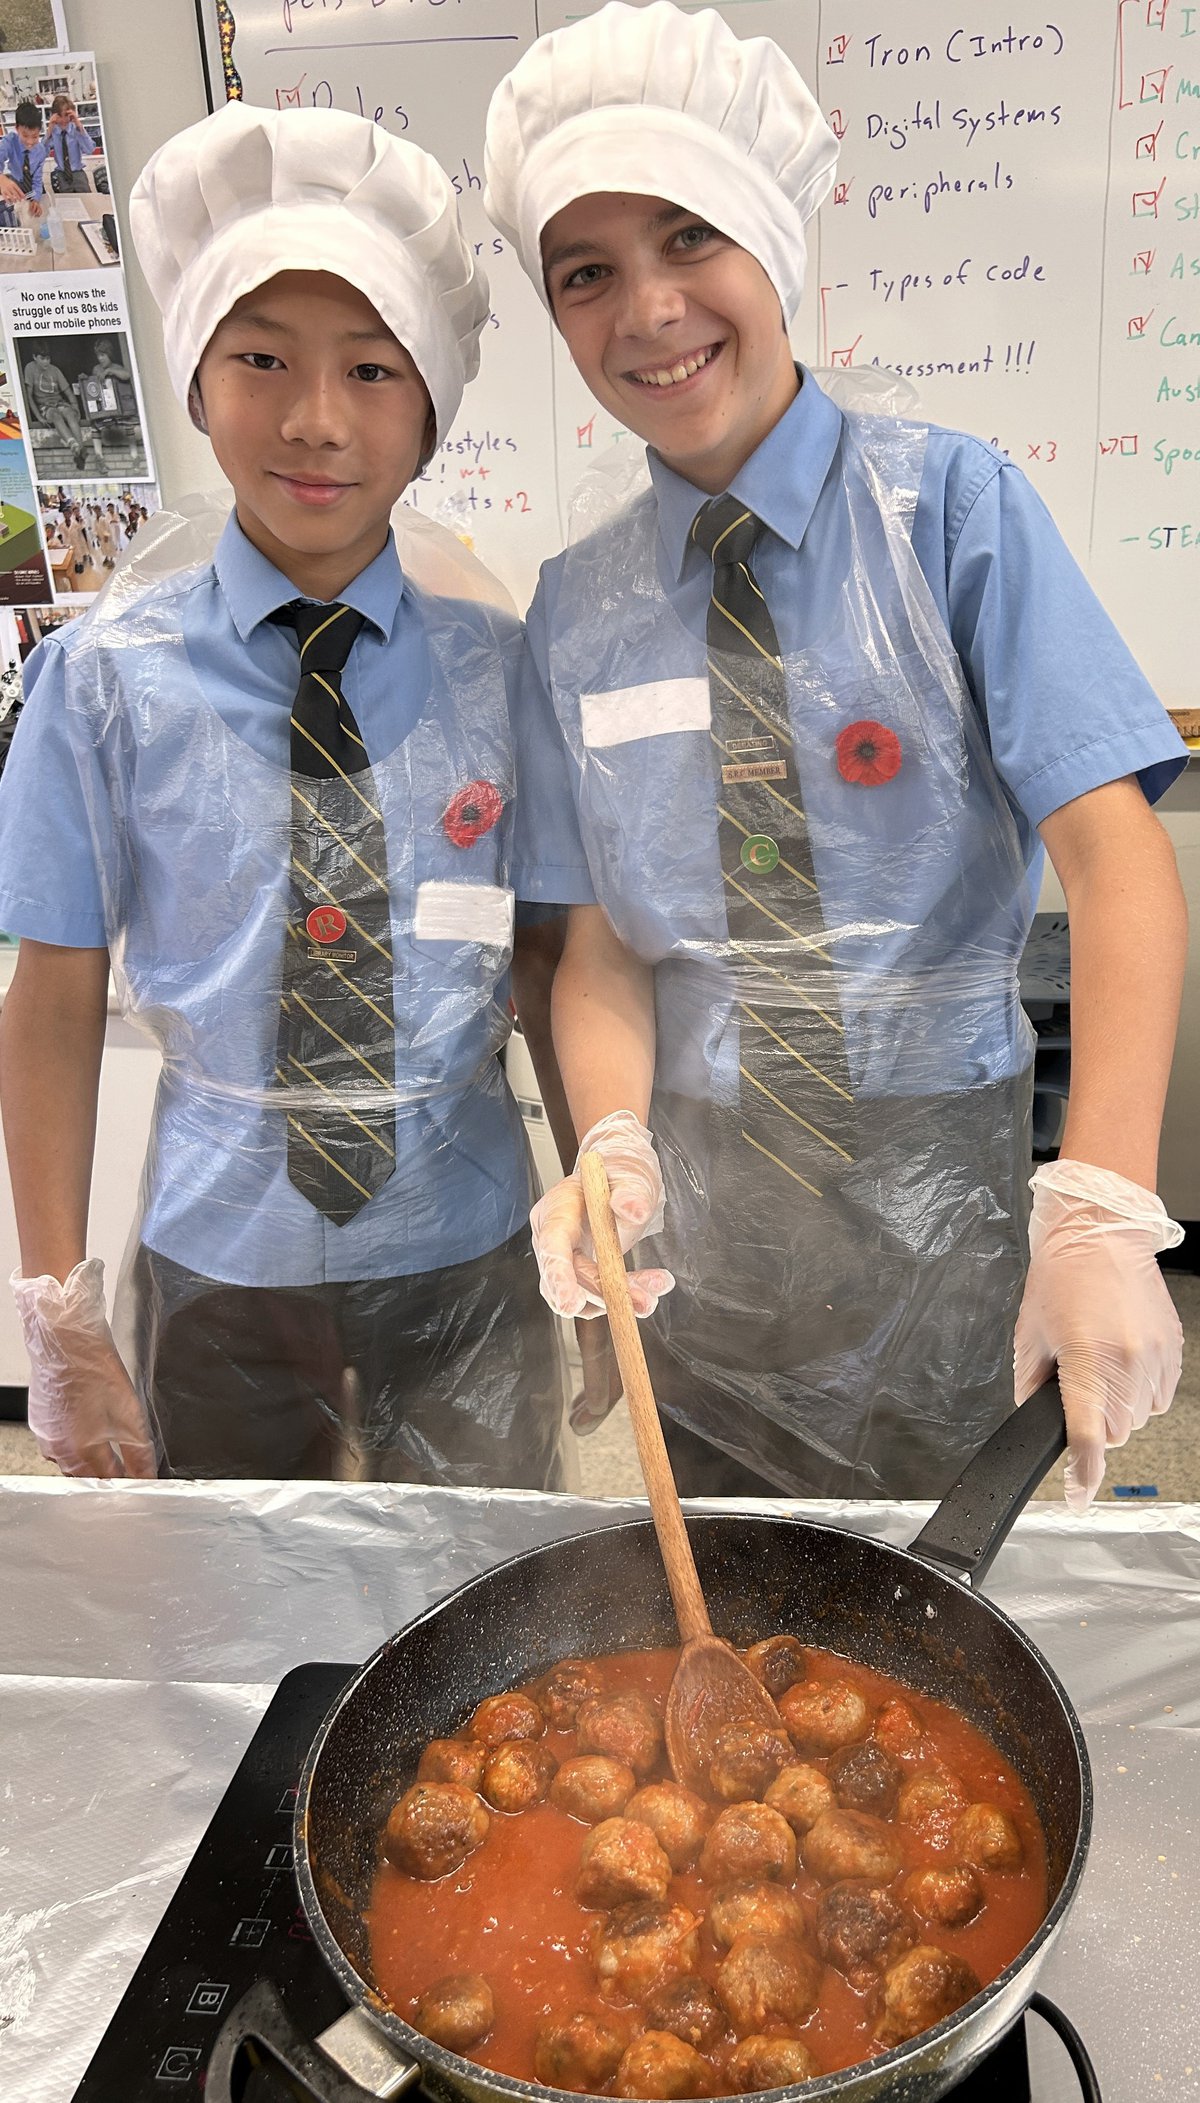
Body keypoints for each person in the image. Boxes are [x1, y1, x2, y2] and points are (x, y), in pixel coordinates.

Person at [483, 0, 1190, 1509]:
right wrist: (607, 1137)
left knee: (969, 1585)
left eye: (690, 240)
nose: (651, 309)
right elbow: (601, 944)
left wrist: (1101, 1210)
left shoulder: (954, 512)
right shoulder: (577, 611)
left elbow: (1115, 855)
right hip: (711, 1199)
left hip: (948, 1180)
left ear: (774, 242)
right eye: (588, 273)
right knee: (739, 1581)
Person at [0, 101, 591, 1484]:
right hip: (220, 1254)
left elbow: (557, 958)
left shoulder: (505, 675)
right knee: (243, 1611)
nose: (317, 419)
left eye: (374, 370)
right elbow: (56, 990)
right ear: (199, 383)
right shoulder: (102, 683)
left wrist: (603, 1204)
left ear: (434, 408)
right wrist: (52, 1298)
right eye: (261, 359)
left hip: (466, 1235)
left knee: (480, 1620)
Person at [22, 349, 87, 468]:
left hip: (59, 402)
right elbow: (29, 396)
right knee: (55, 415)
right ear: (34, 357)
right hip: (45, 406)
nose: (46, 362)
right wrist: (38, 417)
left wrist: (76, 409)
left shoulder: (55, 370)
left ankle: (80, 449)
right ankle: (73, 445)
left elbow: (68, 392)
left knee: (69, 413)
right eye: (42, 358)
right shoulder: (30, 368)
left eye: (48, 358)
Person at [0, 101, 49, 212]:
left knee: (37, 212)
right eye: (25, 135)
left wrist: (35, 200)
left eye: (35, 136)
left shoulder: (41, 151)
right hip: (16, 183)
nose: (30, 142)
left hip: (33, 188)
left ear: (39, 131)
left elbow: (37, 180)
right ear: (17, 128)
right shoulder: (10, 141)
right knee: (14, 211)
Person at [46, 95, 94, 192]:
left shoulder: (76, 130)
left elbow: (89, 150)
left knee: (87, 202)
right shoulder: (53, 132)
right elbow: (41, 153)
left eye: (67, 115)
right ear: (54, 116)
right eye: (60, 116)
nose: (64, 120)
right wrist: (50, 127)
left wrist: (78, 124)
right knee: (66, 203)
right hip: (61, 175)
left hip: (78, 174)